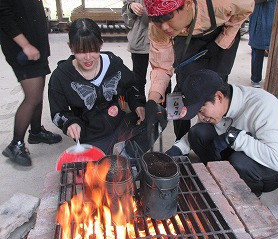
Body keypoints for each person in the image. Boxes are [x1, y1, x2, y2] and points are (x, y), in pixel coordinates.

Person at [48, 18, 165, 164]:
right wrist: (70, 123)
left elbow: (131, 86)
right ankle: (117, 157)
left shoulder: (112, 63)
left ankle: (128, 153)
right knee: (102, 170)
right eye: (80, 51)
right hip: (92, 134)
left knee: (158, 114)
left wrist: (138, 104)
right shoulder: (61, 76)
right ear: (70, 47)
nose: (88, 57)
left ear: (101, 44)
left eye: (93, 49)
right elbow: (58, 112)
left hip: (121, 123)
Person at [143, 0, 255, 150]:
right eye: (157, 21)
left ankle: (207, 137)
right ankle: (180, 139)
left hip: (220, 34)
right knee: (183, 86)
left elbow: (246, 8)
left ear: (188, 4)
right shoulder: (159, 29)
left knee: (214, 90)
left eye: (168, 19)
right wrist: (152, 100)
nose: (163, 27)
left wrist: (222, 40)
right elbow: (161, 67)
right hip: (186, 37)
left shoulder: (222, 3)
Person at [178, 69, 278, 197]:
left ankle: (250, 194)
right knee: (198, 132)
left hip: (270, 170)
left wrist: (235, 137)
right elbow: (196, 131)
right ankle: (219, 174)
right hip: (235, 151)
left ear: (218, 97)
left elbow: (277, 160)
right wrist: (177, 149)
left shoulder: (264, 105)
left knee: (239, 161)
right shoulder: (220, 105)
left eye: (201, 110)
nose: (200, 117)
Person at [0, 0, 62, 167]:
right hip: (22, 49)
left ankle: (35, 131)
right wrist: (25, 45)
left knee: (37, 92)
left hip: (35, 46)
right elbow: (4, 16)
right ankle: (15, 144)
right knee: (32, 97)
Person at [122, 0, 149, 96]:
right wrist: (131, 7)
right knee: (138, 80)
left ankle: (163, 108)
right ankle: (139, 106)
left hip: (163, 39)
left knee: (163, 78)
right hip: (140, 40)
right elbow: (127, 21)